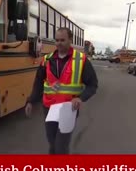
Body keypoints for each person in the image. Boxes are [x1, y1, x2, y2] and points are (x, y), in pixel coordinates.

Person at [25, 27, 98, 155]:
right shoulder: (46, 60)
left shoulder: (81, 60)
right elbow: (38, 83)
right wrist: (31, 101)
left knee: (61, 147)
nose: (59, 43)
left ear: (70, 40)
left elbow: (93, 85)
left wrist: (80, 98)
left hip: (68, 109)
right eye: (57, 40)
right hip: (49, 108)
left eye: (62, 40)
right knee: (52, 144)